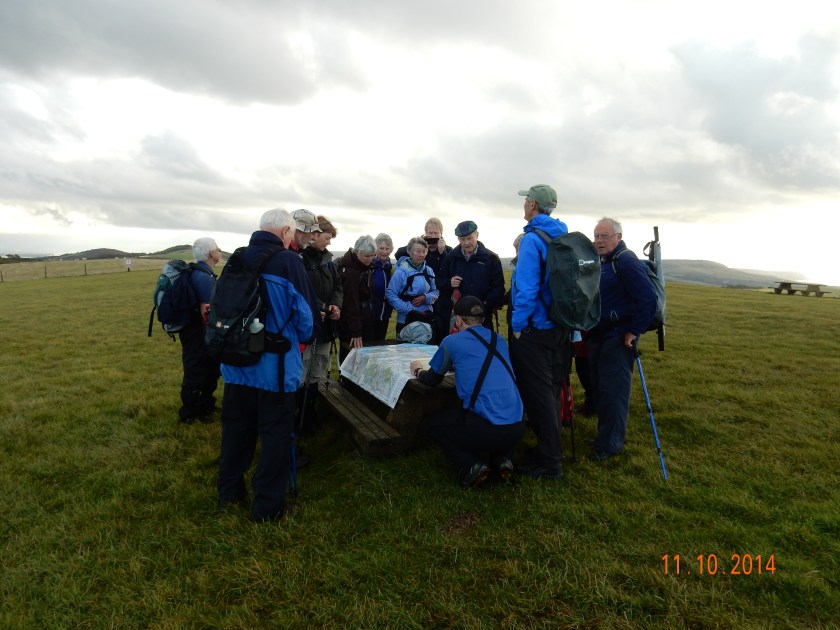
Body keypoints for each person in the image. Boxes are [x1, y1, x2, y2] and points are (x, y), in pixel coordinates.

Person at [217, 208, 318, 523]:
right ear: (287, 231)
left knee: (236, 431)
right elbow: (305, 320)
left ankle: (229, 492)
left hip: (236, 365)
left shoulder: (236, 258)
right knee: (274, 437)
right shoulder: (288, 262)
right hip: (273, 370)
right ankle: (267, 507)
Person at [410, 296, 525, 488]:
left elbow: (431, 379)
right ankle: (502, 459)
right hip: (518, 424)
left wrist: (417, 369)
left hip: (485, 428)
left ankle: (472, 465)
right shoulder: (499, 339)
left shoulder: (451, 342)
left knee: (432, 424)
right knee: (493, 423)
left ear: (459, 320)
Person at [509, 185, 570, 480]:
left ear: (532, 204)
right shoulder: (563, 235)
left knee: (541, 394)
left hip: (536, 329)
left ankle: (549, 462)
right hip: (561, 325)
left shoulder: (533, 239)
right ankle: (550, 448)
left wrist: (518, 326)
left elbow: (527, 288)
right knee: (553, 389)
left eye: (525, 200)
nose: (524, 204)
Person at [587, 217, 656, 462]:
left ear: (618, 236)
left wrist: (633, 331)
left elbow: (648, 298)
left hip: (618, 338)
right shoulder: (606, 261)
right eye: (596, 236)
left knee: (614, 392)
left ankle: (610, 445)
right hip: (600, 335)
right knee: (602, 390)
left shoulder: (625, 261)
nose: (598, 241)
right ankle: (604, 437)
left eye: (604, 236)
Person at [299, 215, 343, 432]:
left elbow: (337, 286)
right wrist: (320, 307)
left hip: (325, 327)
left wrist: (335, 305)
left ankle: (310, 413)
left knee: (318, 368)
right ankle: (299, 416)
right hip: (307, 326)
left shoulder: (328, 260)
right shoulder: (300, 259)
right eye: (326, 237)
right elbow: (300, 290)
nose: (329, 242)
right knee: (303, 369)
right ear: (314, 235)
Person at [177, 237, 221, 424]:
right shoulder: (203, 277)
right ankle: (190, 413)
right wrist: (220, 328)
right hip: (198, 333)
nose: (219, 250)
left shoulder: (200, 273)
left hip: (194, 331)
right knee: (196, 370)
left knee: (207, 369)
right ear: (212, 253)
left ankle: (204, 405)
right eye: (217, 248)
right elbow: (207, 311)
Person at [437, 220, 505, 332]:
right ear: (458, 239)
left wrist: (483, 306)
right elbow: (439, 282)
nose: (466, 243)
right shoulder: (451, 258)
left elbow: (498, 289)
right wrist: (449, 283)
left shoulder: (491, 258)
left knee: (481, 347)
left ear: (477, 235)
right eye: (462, 239)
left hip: (482, 317)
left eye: (469, 238)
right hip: (457, 318)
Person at [386, 236, 439, 340]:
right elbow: (390, 295)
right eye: (418, 251)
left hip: (426, 317)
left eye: (424, 251)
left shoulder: (429, 271)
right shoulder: (400, 272)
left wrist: (426, 297)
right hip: (405, 320)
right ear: (410, 251)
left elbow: (436, 291)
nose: (421, 255)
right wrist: (409, 309)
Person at [337, 235, 376, 363]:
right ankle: (347, 381)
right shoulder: (350, 272)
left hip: (364, 316)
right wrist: (356, 332)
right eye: (366, 256)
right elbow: (350, 303)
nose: (370, 259)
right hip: (351, 322)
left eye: (372, 255)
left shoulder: (365, 267)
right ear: (358, 252)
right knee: (351, 355)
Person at [370, 233, 394, 341]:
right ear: (375, 249)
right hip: (371, 313)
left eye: (387, 248)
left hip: (385, 313)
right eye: (381, 248)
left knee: (380, 344)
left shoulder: (391, 268)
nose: (384, 251)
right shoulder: (370, 266)